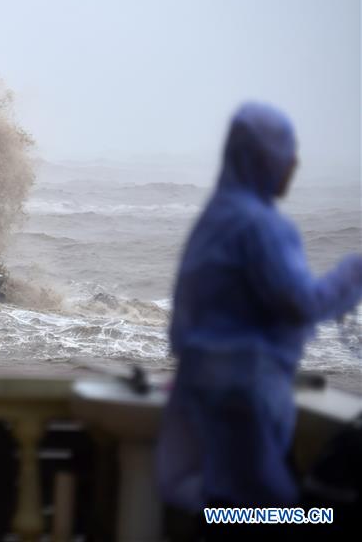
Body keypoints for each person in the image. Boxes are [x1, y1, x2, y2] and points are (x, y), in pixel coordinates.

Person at [155, 103, 362, 516]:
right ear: (262, 158)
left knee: (216, 508)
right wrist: (353, 273)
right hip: (243, 398)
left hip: (200, 389)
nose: (293, 163)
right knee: (263, 509)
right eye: (286, 151)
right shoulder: (260, 226)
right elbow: (302, 304)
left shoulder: (214, 218)